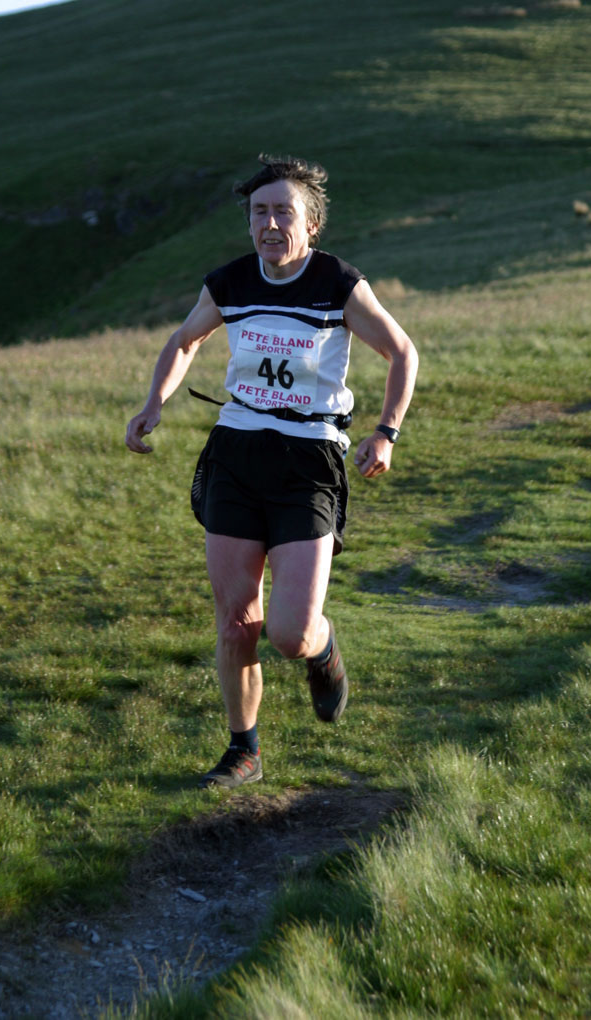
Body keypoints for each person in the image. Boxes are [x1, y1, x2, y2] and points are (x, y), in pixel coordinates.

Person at [125, 154, 418, 789]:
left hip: (309, 461)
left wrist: (386, 432)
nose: (270, 224)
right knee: (236, 620)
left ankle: (322, 646)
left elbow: (402, 352)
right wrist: (154, 404)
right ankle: (244, 750)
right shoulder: (230, 282)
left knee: (289, 633)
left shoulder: (338, 283)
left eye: (284, 212)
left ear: (311, 224)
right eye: (260, 212)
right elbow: (185, 340)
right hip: (236, 455)